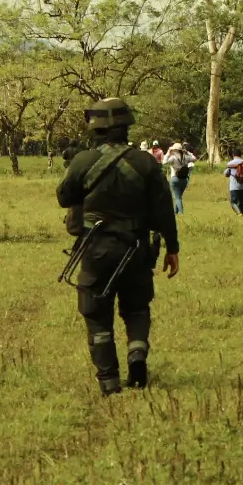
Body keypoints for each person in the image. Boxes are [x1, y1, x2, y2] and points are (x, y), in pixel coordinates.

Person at [57, 99, 180, 395]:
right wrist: (172, 249)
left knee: (96, 312)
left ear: (95, 127)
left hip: (95, 249)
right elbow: (164, 210)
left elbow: (64, 197)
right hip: (136, 248)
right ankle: (137, 357)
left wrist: (77, 168)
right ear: (127, 126)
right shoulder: (146, 162)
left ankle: (109, 380)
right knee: (137, 308)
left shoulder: (83, 161)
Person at [163, 141, 197, 215]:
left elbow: (164, 162)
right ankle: (176, 211)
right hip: (184, 179)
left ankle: (181, 213)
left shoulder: (173, 158)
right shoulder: (186, 157)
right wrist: (188, 152)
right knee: (179, 197)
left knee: (178, 197)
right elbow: (194, 159)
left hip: (175, 178)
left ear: (174, 150)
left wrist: (168, 152)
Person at [224, 148, 243, 215]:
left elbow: (226, 174)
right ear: (240, 155)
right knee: (241, 203)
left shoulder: (230, 163)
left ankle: (239, 213)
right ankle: (242, 216)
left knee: (233, 202)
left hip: (234, 187)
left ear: (233, 155)